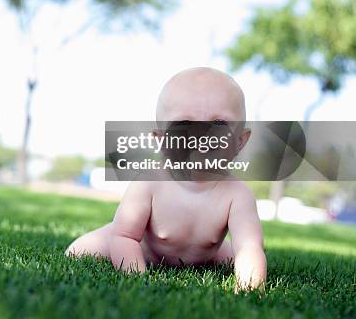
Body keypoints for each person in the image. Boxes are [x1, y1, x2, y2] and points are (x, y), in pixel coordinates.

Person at [65, 67, 267, 291]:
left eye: (219, 123)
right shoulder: (149, 182)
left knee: (234, 256)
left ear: (240, 141)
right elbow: (124, 236)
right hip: (139, 246)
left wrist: (250, 288)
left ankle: (210, 255)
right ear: (161, 140)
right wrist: (137, 280)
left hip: (201, 253)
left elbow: (250, 247)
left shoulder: (237, 194)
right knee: (80, 251)